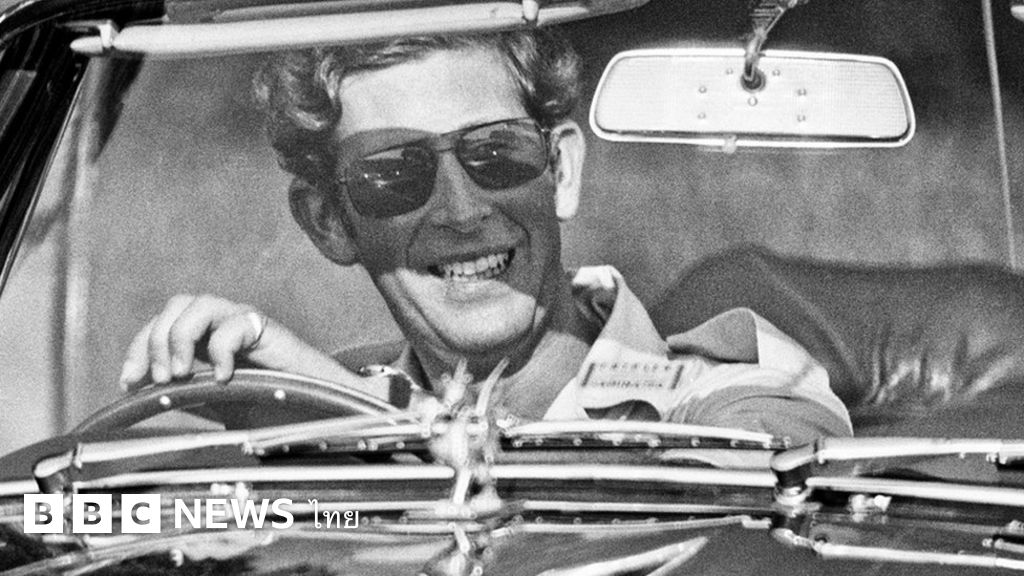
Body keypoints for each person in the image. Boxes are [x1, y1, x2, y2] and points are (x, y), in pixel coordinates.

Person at [118, 29, 852, 442]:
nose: (462, 210)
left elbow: (749, 499)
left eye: (497, 153)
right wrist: (293, 408)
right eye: (393, 175)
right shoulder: (320, 409)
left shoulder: (729, 388)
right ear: (330, 222)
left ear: (560, 171)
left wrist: (356, 421)